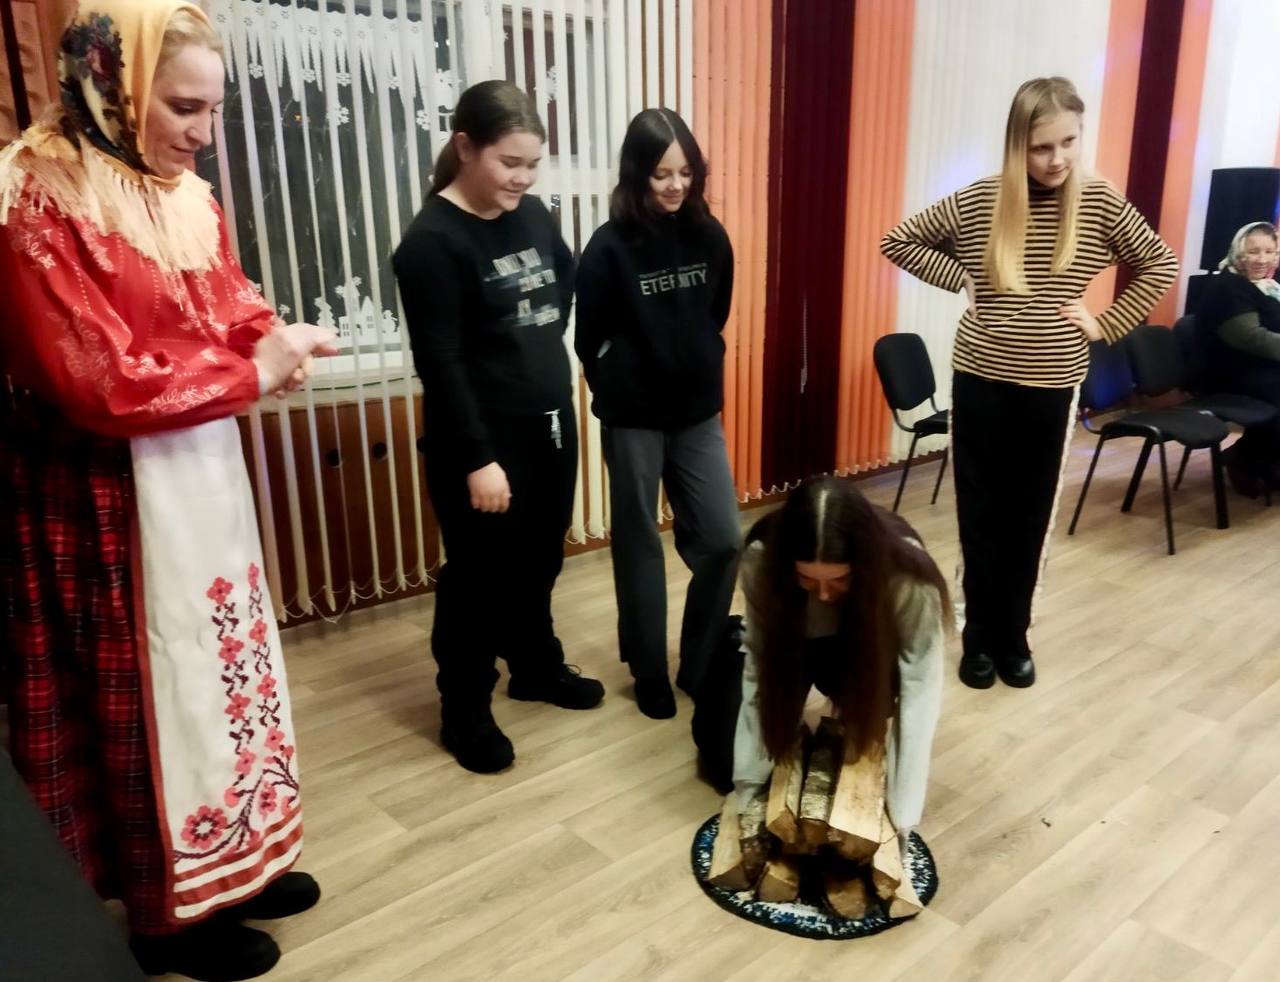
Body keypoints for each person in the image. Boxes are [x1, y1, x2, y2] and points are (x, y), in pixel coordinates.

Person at [0, 3, 331, 979]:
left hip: (193, 466)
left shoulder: (182, 192)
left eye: (212, 109)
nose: (203, 135)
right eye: (184, 108)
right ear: (115, 83)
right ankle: (165, 915)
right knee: (155, 693)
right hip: (104, 493)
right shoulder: (35, 194)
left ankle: (234, 859)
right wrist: (250, 372)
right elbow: (95, 380)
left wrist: (273, 340)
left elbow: (226, 299)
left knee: (222, 667)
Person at [880, 76, 1176, 690]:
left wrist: (1106, 323)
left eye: (1068, 141)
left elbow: (1159, 263)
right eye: (1041, 147)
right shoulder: (981, 199)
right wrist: (964, 277)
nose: (1056, 159)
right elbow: (899, 241)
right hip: (980, 379)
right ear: (1018, 144)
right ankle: (978, 637)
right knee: (980, 511)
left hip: (1052, 384)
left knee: (1029, 514)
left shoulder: (1098, 201)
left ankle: (1013, 635)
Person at [393, 81, 604, 776]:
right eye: (510, 162)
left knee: (541, 558)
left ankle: (536, 668)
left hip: (549, 424)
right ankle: (465, 710)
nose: (524, 178)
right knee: (479, 579)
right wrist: (478, 457)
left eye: (532, 164)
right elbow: (441, 363)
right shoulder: (432, 243)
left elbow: (562, 283)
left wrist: (533, 352)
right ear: (465, 147)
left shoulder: (532, 214)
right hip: (481, 444)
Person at [574, 108, 739, 720]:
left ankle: (699, 660)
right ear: (637, 172)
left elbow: (715, 312)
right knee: (639, 542)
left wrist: (693, 358)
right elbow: (588, 337)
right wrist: (620, 379)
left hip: (697, 414)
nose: (675, 185)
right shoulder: (608, 247)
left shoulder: (710, 236)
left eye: (686, 172)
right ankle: (648, 670)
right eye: (662, 173)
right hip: (633, 418)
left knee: (723, 540)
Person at [724, 477, 947, 849]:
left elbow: (921, 688)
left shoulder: (907, 574)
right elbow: (759, 665)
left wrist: (903, 816)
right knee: (719, 754)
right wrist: (747, 784)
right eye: (807, 579)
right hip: (790, 647)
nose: (824, 595)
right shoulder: (762, 555)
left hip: (866, 654)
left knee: (864, 732)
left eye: (839, 580)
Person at [1195, 221, 1280, 496]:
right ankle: (1245, 459)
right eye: (1253, 252)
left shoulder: (1267, 286)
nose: (1262, 259)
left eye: (1269, 251)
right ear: (1238, 253)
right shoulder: (1228, 287)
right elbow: (1250, 337)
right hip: (1229, 374)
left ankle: (1262, 458)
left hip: (1261, 369)